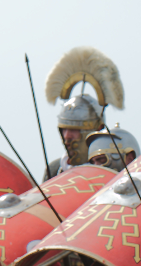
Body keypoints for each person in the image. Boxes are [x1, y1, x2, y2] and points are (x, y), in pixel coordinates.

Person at [42, 47, 125, 180]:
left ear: (97, 129)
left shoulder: (111, 169)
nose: (67, 136)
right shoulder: (54, 170)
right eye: (64, 129)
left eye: (75, 129)